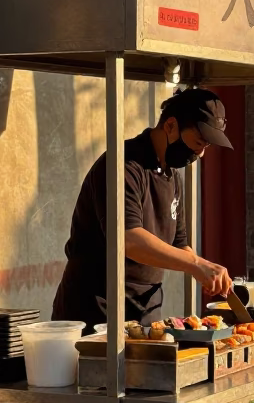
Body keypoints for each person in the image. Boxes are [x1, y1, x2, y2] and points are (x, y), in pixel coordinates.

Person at [52, 88, 234, 331]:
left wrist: (204, 269)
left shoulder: (171, 176)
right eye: (198, 142)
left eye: (206, 146)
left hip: (147, 308)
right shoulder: (123, 165)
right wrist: (194, 264)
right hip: (96, 309)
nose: (200, 154)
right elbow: (129, 239)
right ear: (171, 125)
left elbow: (179, 244)